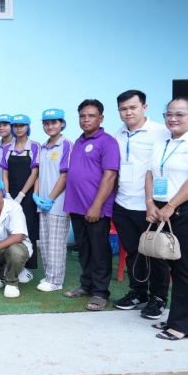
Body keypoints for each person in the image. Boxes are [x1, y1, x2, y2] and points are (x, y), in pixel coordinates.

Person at [112, 90, 171, 317]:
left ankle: (158, 298)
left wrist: (157, 203)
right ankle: (138, 293)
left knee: (157, 255)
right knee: (133, 253)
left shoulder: (161, 132)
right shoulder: (119, 133)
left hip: (150, 207)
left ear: (144, 107)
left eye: (133, 107)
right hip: (122, 204)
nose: (128, 112)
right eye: (123, 109)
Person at [146, 96, 188, 340]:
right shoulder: (163, 142)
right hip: (162, 209)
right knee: (172, 267)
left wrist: (171, 206)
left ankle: (183, 324)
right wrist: (150, 203)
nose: (173, 118)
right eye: (169, 113)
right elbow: (150, 174)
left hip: (187, 210)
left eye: (180, 114)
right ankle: (177, 317)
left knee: (186, 267)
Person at [63, 99, 120, 311]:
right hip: (77, 207)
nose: (86, 120)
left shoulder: (108, 142)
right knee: (84, 249)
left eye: (91, 116)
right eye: (82, 116)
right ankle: (86, 286)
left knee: (99, 250)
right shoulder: (78, 142)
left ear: (101, 118)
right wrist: (71, 206)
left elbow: (109, 176)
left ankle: (100, 293)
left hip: (96, 208)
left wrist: (96, 206)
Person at [32, 109, 72, 292]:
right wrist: (37, 195)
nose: (50, 126)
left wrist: (50, 198)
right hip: (43, 202)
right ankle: (49, 276)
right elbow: (38, 173)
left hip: (58, 202)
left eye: (54, 122)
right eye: (46, 123)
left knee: (56, 243)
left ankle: (56, 280)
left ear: (62, 123)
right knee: (46, 242)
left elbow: (65, 175)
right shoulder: (43, 147)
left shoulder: (66, 145)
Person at [0, 114, 40, 281]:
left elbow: (35, 173)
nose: (18, 128)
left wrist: (22, 195)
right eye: (15, 126)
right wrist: (8, 194)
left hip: (28, 195)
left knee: (28, 229)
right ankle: (10, 263)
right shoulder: (7, 148)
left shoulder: (35, 146)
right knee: (10, 228)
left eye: (22, 125)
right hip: (11, 195)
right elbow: (5, 173)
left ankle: (26, 267)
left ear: (28, 127)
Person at [0, 114, 14, 180]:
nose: (1, 128)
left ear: (12, 126)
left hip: (15, 185)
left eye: (5, 125)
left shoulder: (18, 145)